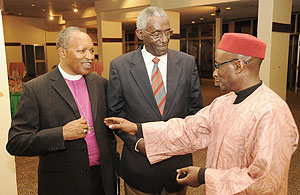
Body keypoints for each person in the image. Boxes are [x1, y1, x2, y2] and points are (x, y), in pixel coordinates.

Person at [105, 33, 299, 194]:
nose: (214, 73)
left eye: (218, 65)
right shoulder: (224, 103)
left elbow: (266, 181)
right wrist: (138, 127)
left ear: (238, 66)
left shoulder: (272, 112)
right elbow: (189, 130)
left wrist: (203, 176)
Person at [6, 27, 118, 195]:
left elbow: (108, 136)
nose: (90, 56)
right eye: (82, 51)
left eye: (92, 50)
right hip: (63, 183)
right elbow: (16, 142)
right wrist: (61, 134)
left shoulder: (101, 83)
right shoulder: (36, 89)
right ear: (62, 52)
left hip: (102, 180)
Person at [107, 6, 203, 195]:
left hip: (177, 165)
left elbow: (195, 111)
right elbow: (116, 114)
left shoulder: (187, 63)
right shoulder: (120, 67)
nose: (164, 40)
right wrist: (136, 143)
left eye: (168, 33)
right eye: (157, 34)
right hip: (140, 167)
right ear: (140, 34)